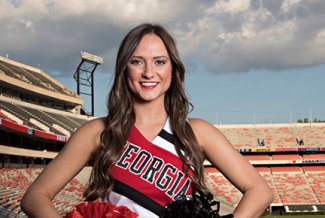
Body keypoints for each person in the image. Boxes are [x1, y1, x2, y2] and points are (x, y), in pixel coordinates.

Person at [21, 23, 273, 218]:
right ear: (124, 68)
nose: (149, 72)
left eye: (159, 62)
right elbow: (35, 197)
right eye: (137, 61)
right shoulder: (96, 132)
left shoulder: (197, 132)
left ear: (173, 70)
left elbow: (259, 191)